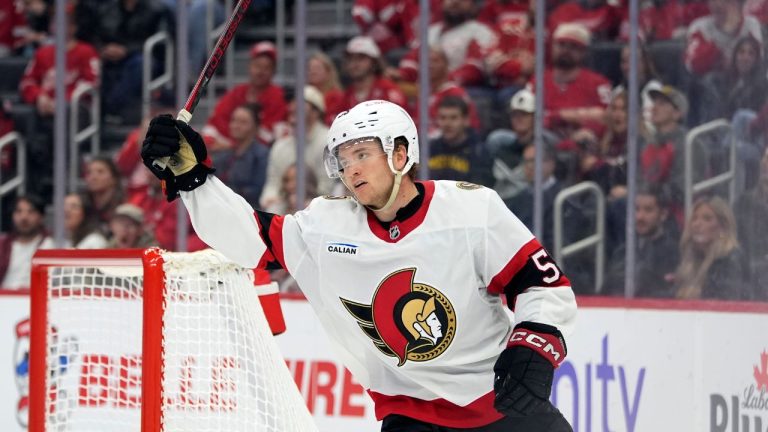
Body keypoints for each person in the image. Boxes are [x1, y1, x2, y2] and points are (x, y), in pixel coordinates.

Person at [141, 99, 576, 431]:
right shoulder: (326, 228)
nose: (351, 170)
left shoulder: (470, 209)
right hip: (410, 413)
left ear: (401, 155)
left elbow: (541, 284)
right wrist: (194, 179)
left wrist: (533, 344)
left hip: (500, 400)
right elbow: (248, 240)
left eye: (362, 154)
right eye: (343, 160)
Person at [202, 41, 288, 148]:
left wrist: (231, 146)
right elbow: (214, 124)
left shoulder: (278, 96)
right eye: (257, 66)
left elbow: (270, 137)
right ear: (249, 66)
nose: (260, 72)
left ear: (273, 71)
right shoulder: (237, 92)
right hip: (231, 152)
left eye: (266, 67)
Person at [602, 185, 680, 297]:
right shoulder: (623, 251)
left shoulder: (673, 252)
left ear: (663, 214)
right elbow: (606, 290)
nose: (640, 217)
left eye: (648, 210)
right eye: (636, 209)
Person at [673, 196, 750, 300]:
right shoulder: (692, 259)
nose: (697, 224)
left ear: (723, 226)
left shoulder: (730, 259)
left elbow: (726, 302)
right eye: (694, 218)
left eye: (707, 219)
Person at [211, 103, 269, 209]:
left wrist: (227, 194)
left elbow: (257, 190)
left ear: (255, 127)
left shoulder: (261, 154)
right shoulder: (224, 155)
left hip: (249, 209)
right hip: (223, 205)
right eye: (234, 120)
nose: (236, 126)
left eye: (243, 122)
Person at [428, 96, 494, 186]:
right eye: (443, 118)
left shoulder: (479, 152)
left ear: (466, 120)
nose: (447, 123)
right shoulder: (430, 149)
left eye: (453, 118)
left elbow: (480, 189)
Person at [0, 195, 54, 289]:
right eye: (19, 211)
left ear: (41, 217)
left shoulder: (51, 245)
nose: (24, 217)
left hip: (37, 299)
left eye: (31, 212)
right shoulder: (2, 245)